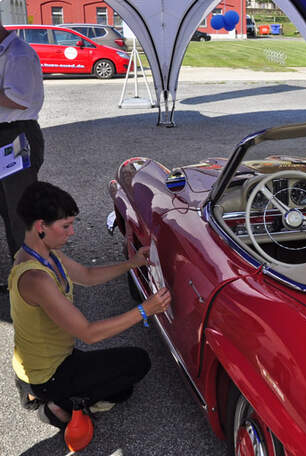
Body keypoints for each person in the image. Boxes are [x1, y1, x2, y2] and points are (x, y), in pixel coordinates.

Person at [9, 182, 172, 431]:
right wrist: (145, 310)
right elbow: (89, 333)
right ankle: (56, 406)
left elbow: (86, 275)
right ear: (41, 226)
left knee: (122, 385)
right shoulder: (36, 278)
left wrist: (133, 262)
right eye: (65, 226)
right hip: (48, 373)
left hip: (44, 362)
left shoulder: (42, 252)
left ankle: (38, 392)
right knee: (137, 365)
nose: (72, 232)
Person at [0, 21, 45, 261]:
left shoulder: (19, 54)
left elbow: (19, 98)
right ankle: (21, 271)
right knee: (7, 209)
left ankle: (33, 277)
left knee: (19, 211)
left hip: (16, 135)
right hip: (6, 133)